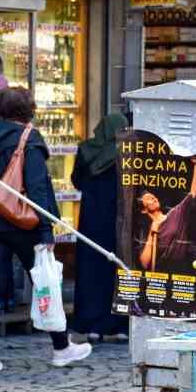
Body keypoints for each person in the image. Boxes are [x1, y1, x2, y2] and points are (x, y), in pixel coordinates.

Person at [0, 88, 92, 374]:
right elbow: (37, 186)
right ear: (29, 110)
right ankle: (61, 348)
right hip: (23, 222)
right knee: (44, 282)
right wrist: (46, 230)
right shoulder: (29, 138)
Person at [70, 113, 128, 340]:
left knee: (91, 272)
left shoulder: (86, 150)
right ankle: (120, 326)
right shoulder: (127, 152)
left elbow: (77, 181)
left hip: (91, 221)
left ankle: (92, 325)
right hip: (120, 222)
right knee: (118, 272)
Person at [137, 162, 196, 275]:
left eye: (153, 196)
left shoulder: (175, 214)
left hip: (181, 272)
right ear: (144, 210)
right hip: (160, 275)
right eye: (148, 199)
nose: (153, 198)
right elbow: (144, 263)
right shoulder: (146, 230)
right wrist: (151, 233)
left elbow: (192, 193)